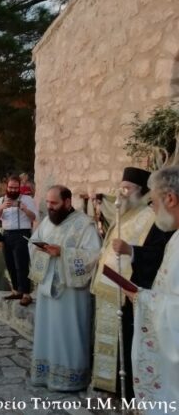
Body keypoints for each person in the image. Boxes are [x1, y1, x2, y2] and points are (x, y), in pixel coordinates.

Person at [91, 167, 173, 396]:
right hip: (110, 287)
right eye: (121, 187)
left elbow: (158, 254)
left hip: (132, 289)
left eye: (127, 188)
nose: (122, 193)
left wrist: (131, 251)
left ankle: (126, 390)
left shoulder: (152, 217)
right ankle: (107, 383)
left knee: (127, 340)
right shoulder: (126, 213)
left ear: (141, 191)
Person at [29, 185, 101, 391]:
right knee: (47, 331)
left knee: (69, 332)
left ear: (67, 202)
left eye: (54, 203)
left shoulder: (84, 225)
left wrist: (63, 253)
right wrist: (40, 248)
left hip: (70, 294)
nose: (50, 207)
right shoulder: (47, 222)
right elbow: (33, 243)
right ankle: (45, 372)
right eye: (47, 203)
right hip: (47, 289)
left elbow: (94, 256)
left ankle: (71, 378)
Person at [124, 166, 179, 409]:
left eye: (154, 201)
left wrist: (142, 299)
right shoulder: (175, 236)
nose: (152, 208)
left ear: (170, 199)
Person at [0, 176, 37, 306]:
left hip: (22, 233)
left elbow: (34, 217)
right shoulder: (1, 199)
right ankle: (16, 290)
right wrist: (1, 207)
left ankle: (26, 294)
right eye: (10, 187)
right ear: (7, 187)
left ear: (19, 188)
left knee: (22, 264)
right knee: (10, 264)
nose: (13, 190)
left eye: (15, 188)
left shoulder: (27, 199)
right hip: (6, 234)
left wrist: (23, 208)